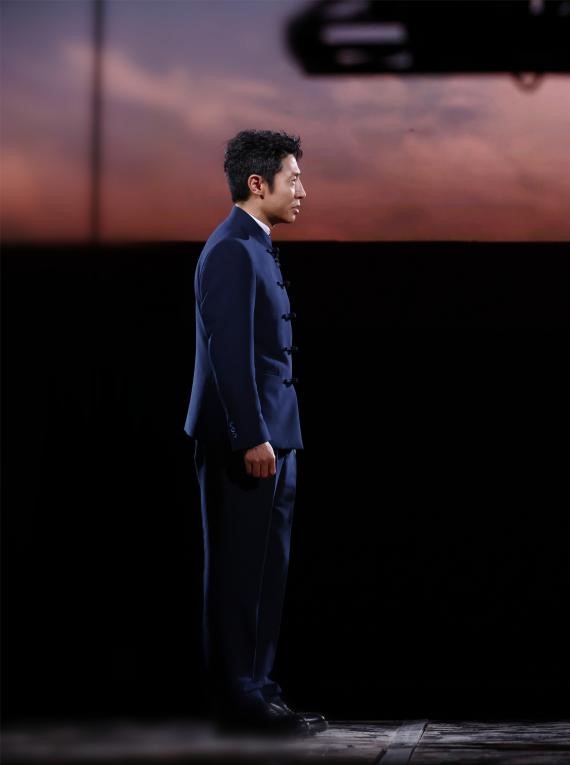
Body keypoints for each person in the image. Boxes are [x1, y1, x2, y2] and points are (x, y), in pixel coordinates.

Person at [184, 129, 325, 735]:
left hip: (275, 438)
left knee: (268, 571)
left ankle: (260, 691)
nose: (302, 190)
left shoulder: (254, 245)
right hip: (246, 440)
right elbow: (229, 353)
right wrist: (250, 436)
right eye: (294, 179)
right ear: (257, 183)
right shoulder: (232, 249)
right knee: (238, 572)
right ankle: (238, 698)